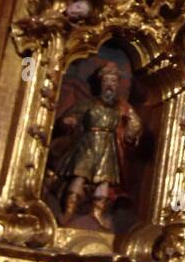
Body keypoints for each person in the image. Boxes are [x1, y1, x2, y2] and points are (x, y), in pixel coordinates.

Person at [55, 63, 141, 228]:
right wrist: (68, 122)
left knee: (104, 181)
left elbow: (133, 129)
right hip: (87, 144)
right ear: (101, 83)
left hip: (108, 146)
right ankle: (69, 210)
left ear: (117, 85)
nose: (109, 85)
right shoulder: (89, 104)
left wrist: (133, 124)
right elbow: (70, 117)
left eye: (113, 81)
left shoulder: (122, 108)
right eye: (106, 81)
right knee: (79, 176)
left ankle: (97, 213)